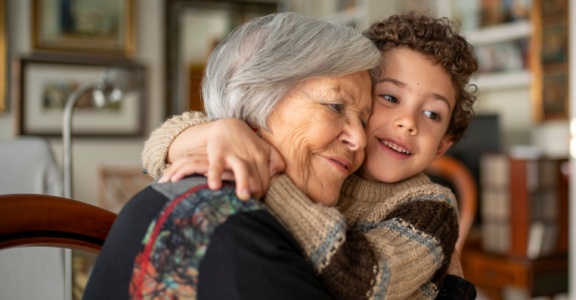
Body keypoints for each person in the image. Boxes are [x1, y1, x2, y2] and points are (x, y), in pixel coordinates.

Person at [142, 11, 479, 299]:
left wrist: (266, 170)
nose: (407, 123)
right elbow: (157, 148)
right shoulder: (328, 166)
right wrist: (214, 134)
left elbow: (364, 280)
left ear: (442, 146)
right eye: (389, 98)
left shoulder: (431, 207)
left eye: (433, 114)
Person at [83, 12, 382, 299]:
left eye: (365, 121)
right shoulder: (230, 227)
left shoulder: (213, 197)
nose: (358, 139)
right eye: (335, 106)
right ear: (255, 100)